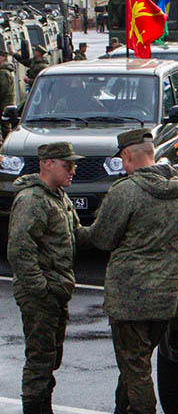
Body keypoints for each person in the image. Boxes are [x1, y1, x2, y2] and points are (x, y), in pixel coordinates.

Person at [79, 129, 178, 414]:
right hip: (166, 298)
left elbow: (102, 239)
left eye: (122, 159)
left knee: (135, 368)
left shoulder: (126, 191)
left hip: (129, 300)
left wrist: (75, 231)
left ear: (128, 156)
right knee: (135, 363)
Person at [7, 141, 84, 414]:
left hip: (56, 291)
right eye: (67, 165)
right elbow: (19, 249)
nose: (73, 170)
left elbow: (77, 234)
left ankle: (43, 406)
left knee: (51, 356)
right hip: (41, 294)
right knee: (40, 359)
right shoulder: (32, 200)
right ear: (47, 164)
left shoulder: (58, 196)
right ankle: (35, 408)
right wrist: (40, 289)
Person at [0, 48, 16, 137]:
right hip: (9, 102)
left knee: (5, 125)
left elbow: (3, 89)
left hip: (4, 103)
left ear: (3, 58)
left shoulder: (3, 72)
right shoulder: (8, 69)